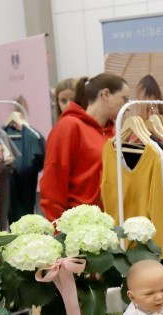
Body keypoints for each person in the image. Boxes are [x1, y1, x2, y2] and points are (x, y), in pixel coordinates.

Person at [39, 73, 130, 222]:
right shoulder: (69, 126)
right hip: (77, 230)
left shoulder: (111, 133)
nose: (127, 107)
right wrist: (59, 233)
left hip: (106, 228)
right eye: (124, 99)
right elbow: (52, 185)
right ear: (105, 94)